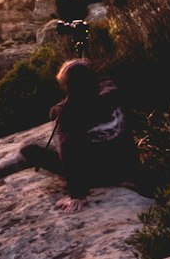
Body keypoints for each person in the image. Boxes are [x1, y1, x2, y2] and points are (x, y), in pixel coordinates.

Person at [20, 58, 135, 212]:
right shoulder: (112, 92)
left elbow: (69, 153)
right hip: (126, 166)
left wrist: (77, 195)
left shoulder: (68, 114)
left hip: (98, 174)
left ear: (67, 88)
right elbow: (101, 82)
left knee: (28, 149)